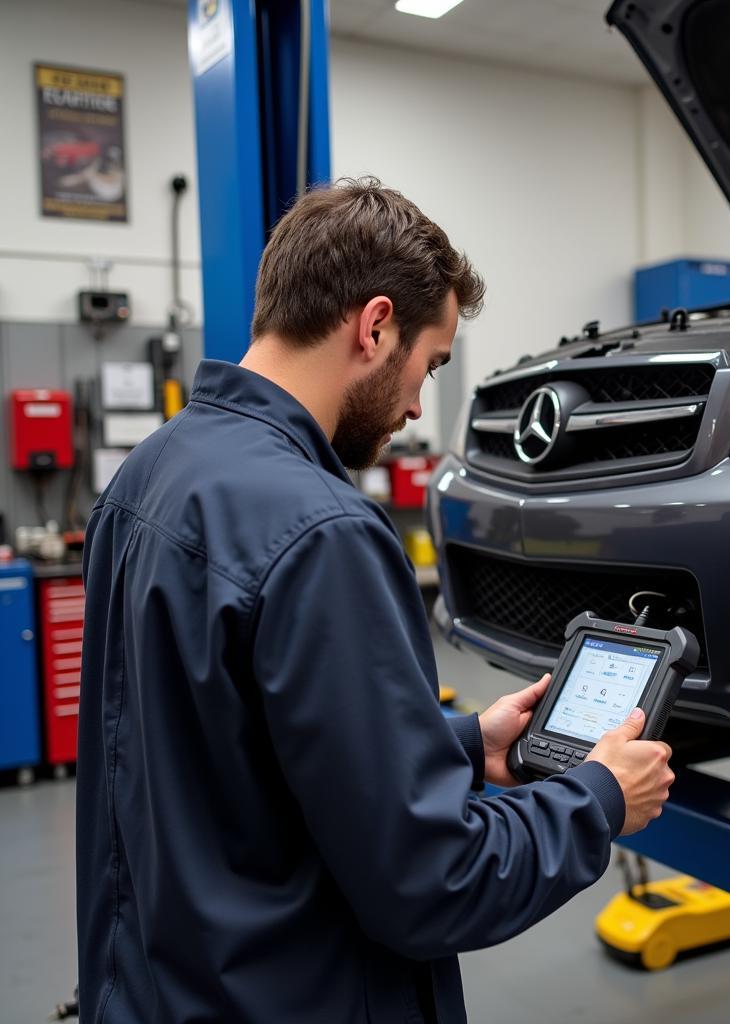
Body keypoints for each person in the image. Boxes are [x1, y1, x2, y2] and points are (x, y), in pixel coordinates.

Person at [77, 177, 675, 1023]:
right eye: (428, 364)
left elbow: (228, 751)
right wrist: (601, 796)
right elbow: (434, 885)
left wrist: (464, 745)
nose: (414, 405)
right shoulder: (323, 531)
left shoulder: (150, 472)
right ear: (375, 325)